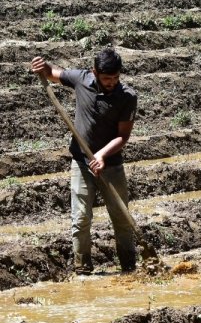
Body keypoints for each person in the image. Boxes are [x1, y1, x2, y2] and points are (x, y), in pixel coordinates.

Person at [30, 49, 138, 274]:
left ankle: (129, 266)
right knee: (80, 218)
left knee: (121, 218)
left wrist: (101, 155)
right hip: (81, 163)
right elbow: (53, 74)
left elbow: (123, 136)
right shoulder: (81, 79)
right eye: (107, 78)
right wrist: (43, 66)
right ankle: (83, 268)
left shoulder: (127, 96)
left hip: (112, 165)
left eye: (116, 78)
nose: (111, 83)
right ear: (94, 72)